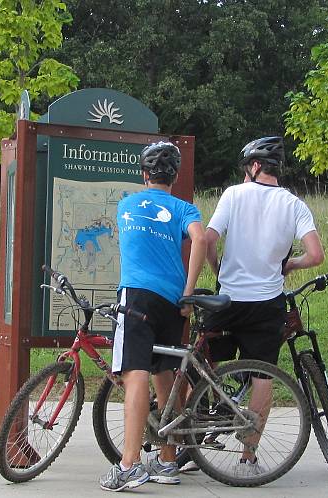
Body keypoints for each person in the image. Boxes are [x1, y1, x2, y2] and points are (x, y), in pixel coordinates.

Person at [203, 136, 324, 476]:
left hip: (228, 299)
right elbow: (315, 255)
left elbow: (210, 240)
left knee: (201, 356)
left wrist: (218, 269)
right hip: (266, 303)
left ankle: (196, 426)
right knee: (262, 376)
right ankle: (247, 458)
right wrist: (290, 265)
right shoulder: (294, 204)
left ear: (254, 167)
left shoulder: (233, 194)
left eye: (246, 169)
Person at [99, 141, 207, 491]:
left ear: (144, 174)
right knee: (166, 377)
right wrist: (189, 292)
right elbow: (200, 240)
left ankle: (129, 464)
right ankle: (167, 459)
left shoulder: (127, 204)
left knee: (136, 375)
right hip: (173, 299)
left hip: (137, 296)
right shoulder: (184, 208)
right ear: (174, 177)